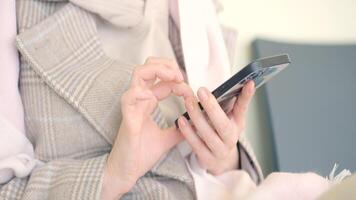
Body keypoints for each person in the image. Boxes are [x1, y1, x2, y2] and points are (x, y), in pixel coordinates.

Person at [0, 0, 263, 199]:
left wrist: (223, 158)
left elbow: (224, 175)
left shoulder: (194, 9)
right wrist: (109, 176)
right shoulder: (14, 13)